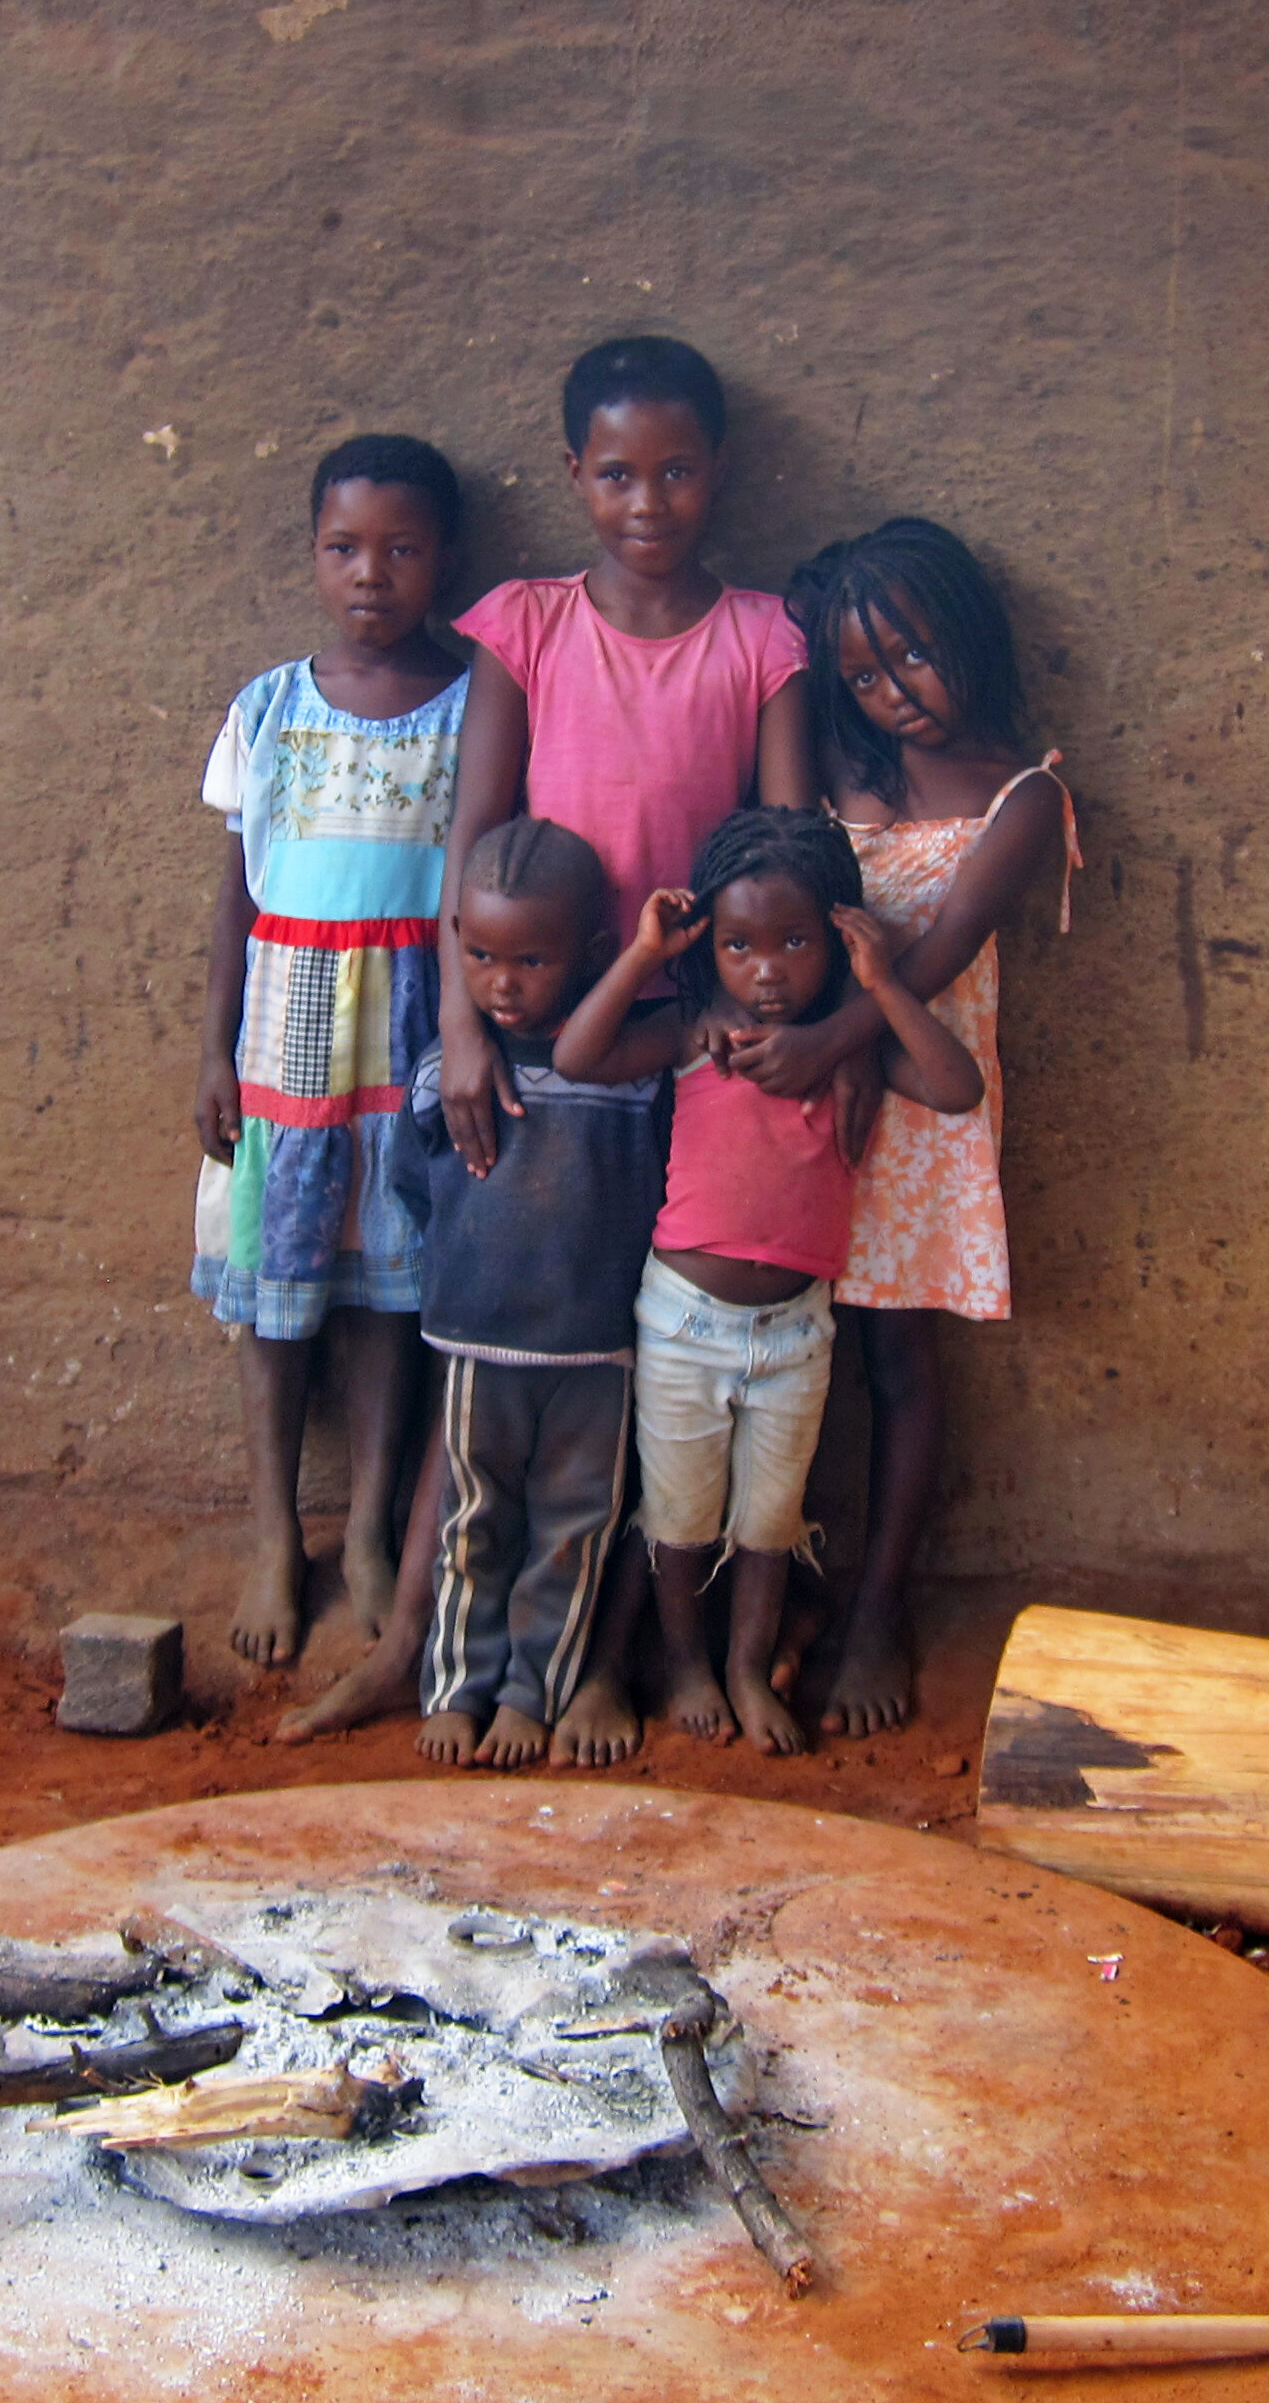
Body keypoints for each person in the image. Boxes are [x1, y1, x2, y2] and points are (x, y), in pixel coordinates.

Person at [421, 334, 826, 1756]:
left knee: (653, 1358)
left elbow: (784, 852)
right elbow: (468, 843)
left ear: (719, 474)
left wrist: (745, 1010)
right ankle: (505, 1652)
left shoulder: (767, 639)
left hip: (696, 1043)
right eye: (615, 473)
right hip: (541, 1042)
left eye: (676, 471)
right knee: (533, 1344)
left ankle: (626, 1658)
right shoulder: (523, 625)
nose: (647, 501)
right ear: (571, 477)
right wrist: (466, 1029)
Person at [553, 807, 983, 1753]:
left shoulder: (845, 1053)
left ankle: (746, 1667)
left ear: (838, 935)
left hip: (796, 1333)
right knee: (677, 1516)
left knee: (770, 1520)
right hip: (681, 1322)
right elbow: (577, 1053)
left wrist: (877, 992)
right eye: (741, 945)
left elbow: (958, 1087)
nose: (767, 969)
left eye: (795, 943)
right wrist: (642, 957)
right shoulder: (695, 1031)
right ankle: (688, 1664)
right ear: (713, 947)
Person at [771, 518, 1076, 1735]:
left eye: (915, 658)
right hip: (809, 1097)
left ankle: (878, 1608)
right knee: (787, 1357)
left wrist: (823, 1052)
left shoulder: (1025, 796)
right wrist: (808, 1064)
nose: (896, 697)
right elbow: (781, 883)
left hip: (918, 1099)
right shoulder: (841, 772)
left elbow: (938, 962)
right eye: (863, 676)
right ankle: (777, 1594)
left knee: (896, 1364)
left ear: (971, 636)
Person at [191, 435, 468, 1666]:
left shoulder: (472, 706)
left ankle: (364, 1530)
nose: (373, 575)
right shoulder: (269, 707)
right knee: (279, 1292)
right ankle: (270, 1534)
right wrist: (210, 1055)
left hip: (411, 1023)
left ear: (443, 560)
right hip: (286, 1030)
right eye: (345, 548)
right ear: (311, 555)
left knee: (387, 1291)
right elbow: (232, 895)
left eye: (403, 549)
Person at [393, 819, 668, 1769]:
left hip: (597, 1350)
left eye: (531, 960)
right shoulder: (446, 1076)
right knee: (473, 1521)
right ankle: (455, 1688)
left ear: (593, 952)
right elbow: (410, 1184)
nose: (501, 983)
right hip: (479, 1342)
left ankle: (532, 1692)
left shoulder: (634, 1076)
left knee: (571, 1530)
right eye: (479, 955)